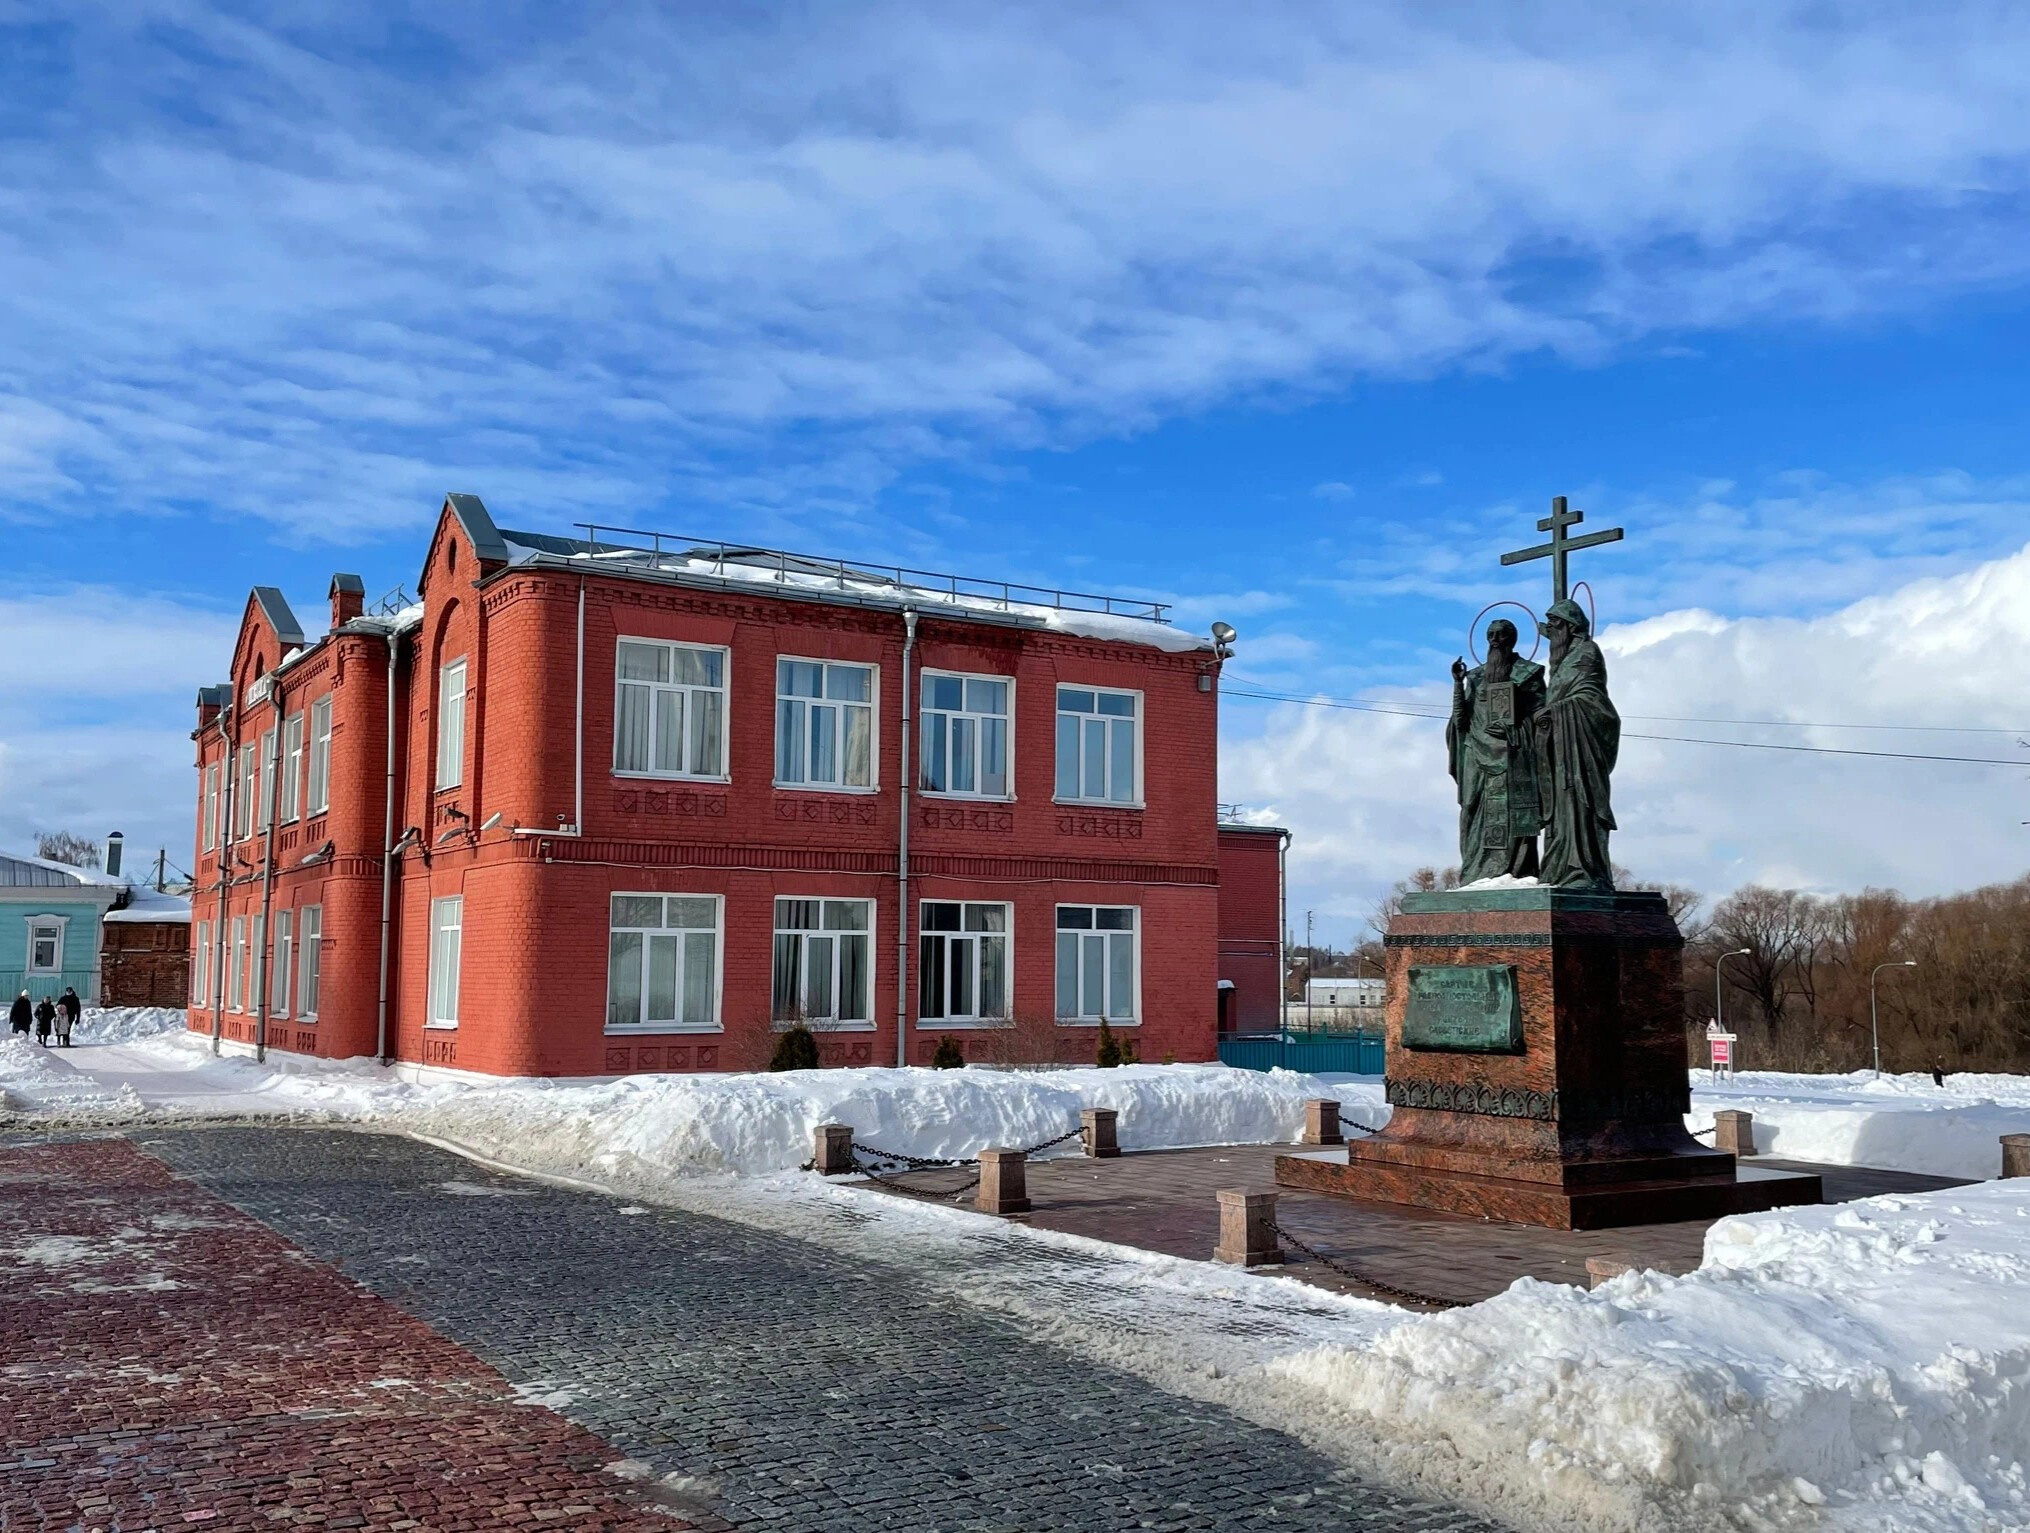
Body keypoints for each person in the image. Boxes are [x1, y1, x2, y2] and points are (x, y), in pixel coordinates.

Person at [1533, 597, 1621, 891]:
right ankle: (1559, 868)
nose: (1551, 631)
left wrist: (1557, 711)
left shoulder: (1586, 652)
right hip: (1559, 748)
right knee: (1560, 810)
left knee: (1579, 806)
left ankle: (1582, 869)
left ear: (1570, 626)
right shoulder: (1558, 662)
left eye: (1555, 625)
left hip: (1580, 745)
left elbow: (1591, 698)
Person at [1449, 618, 1545, 882]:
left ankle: (1513, 871)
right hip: (1476, 754)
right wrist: (1458, 685)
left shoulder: (1529, 672)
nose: (1494, 640)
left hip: (1513, 755)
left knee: (1512, 812)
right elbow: (1461, 721)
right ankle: (1476, 872)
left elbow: (1541, 717)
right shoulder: (1476, 676)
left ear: (1512, 639)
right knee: (1471, 808)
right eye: (1490, 634)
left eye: (1501, 635)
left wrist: (1515, 731)